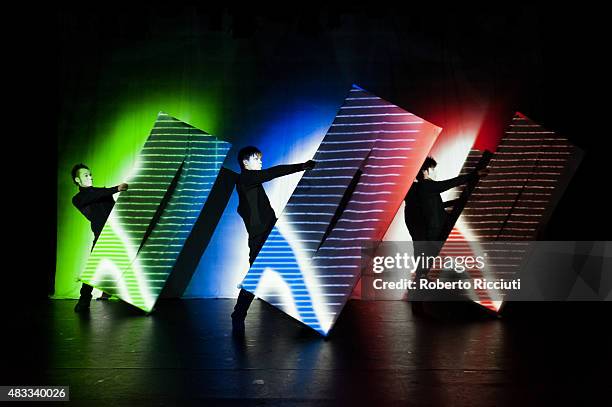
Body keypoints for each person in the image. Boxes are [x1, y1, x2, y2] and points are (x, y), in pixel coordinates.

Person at [231, 146, 316, 335]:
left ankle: (308, 318)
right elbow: (274, 172)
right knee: (255, 280)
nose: (261, 161)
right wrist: (302, 166)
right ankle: (238, 315)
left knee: (294, 274)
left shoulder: (250, 181)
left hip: (270, 235)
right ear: (245, 163)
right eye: (256, 159)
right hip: (260, 239)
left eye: (261, 158)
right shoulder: (245, 178)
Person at [403, 156, 488, 310]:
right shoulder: (426, 186)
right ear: (426, 171)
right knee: (427, 265)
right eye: (434, 170)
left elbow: (432, 206)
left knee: (424, 266)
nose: (436, 174)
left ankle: (415, 296)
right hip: (433, 235)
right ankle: (417, 296)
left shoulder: (415, 191)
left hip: (424, 237)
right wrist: (475, 175)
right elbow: (450, 183)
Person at [71, 163, 128, 312]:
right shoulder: (77, 198)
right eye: (86, 175)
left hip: (115, 233)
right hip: (101, 235)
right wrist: (115, 189)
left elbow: (115, 209)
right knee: (93, 269)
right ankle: (84, 302)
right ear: (77, 180)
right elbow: (91, 196)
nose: (90, 177)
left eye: (90, 174)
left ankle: (123, 296)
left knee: (127, 264)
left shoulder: (102, 192)